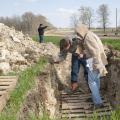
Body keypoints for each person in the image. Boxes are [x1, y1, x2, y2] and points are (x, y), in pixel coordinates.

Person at [75, 24, 108, 109]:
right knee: (96, 80)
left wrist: (97, 64)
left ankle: (98, 103)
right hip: (95, 59)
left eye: (78, 33)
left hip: (94, 60)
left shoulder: (88, 37)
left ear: (81, 31)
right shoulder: (89, 34)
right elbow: (92, 49)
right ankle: (95, 97)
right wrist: (83, 53)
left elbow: (95, 51)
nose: (78, 35)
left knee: (91, 81)